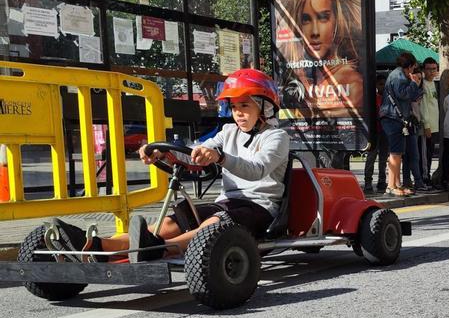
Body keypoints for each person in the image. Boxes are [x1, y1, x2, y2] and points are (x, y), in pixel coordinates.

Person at [48, 69, 290, 262]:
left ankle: (159, 250)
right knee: (173, 220)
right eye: (234, 107)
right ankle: (96, 245)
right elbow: (194, 153)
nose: (238, 113)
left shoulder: (277, 137)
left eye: (245, 106)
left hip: (260, 208)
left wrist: (220, 158)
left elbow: (257, 170)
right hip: (226, 203)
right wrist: (164, 154)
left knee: (214, 224)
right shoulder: (227, 132)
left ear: (265, 106)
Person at [277, 0, 364, 117]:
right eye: (306, 20)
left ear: (336, 21)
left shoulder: (352, 81)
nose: (315, 32)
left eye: (323, 17)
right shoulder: (296, 73)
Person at [378, 52, 423, 197]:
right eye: (413, 67)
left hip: (395, 117)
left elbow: (413, 96)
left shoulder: (398, 75)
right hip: (392, 117)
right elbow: (404, 94)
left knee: (398, 152)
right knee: (395, 153)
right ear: (409, 65)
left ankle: (397, 184)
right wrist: (414, 83)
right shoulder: (398, 76)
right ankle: (391, 186)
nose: (413, 70)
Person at [403, 64, 427, 192]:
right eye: (416, 78)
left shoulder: (420, 91)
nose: (418, 81)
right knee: (413, 155)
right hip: (408, 125)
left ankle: (409, 181)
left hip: (416, 125)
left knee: (410, 155)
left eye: (420, 79)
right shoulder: (409, 91)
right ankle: (417, 181)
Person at [363, 73, 388, 193]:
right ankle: (368, 182)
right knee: (371, 157)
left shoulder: (388, 98)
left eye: (384, 84)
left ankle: (381, 181)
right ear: (376, 85)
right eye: (380, 84)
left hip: (385, 131)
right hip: (374, 131)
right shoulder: (373, 99)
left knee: (383, 158)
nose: (383, 87)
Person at [420, 58, 440, 185]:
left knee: (430, 152)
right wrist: (426, 125)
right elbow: (423, 107)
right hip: (427, 127)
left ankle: (427, 175)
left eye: (434, 69)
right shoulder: (423, 85)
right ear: (423, 70)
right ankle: (424, 177)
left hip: (436, 126)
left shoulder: (435, 84)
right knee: (424, 154)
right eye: (429, 69)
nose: (431, 72)